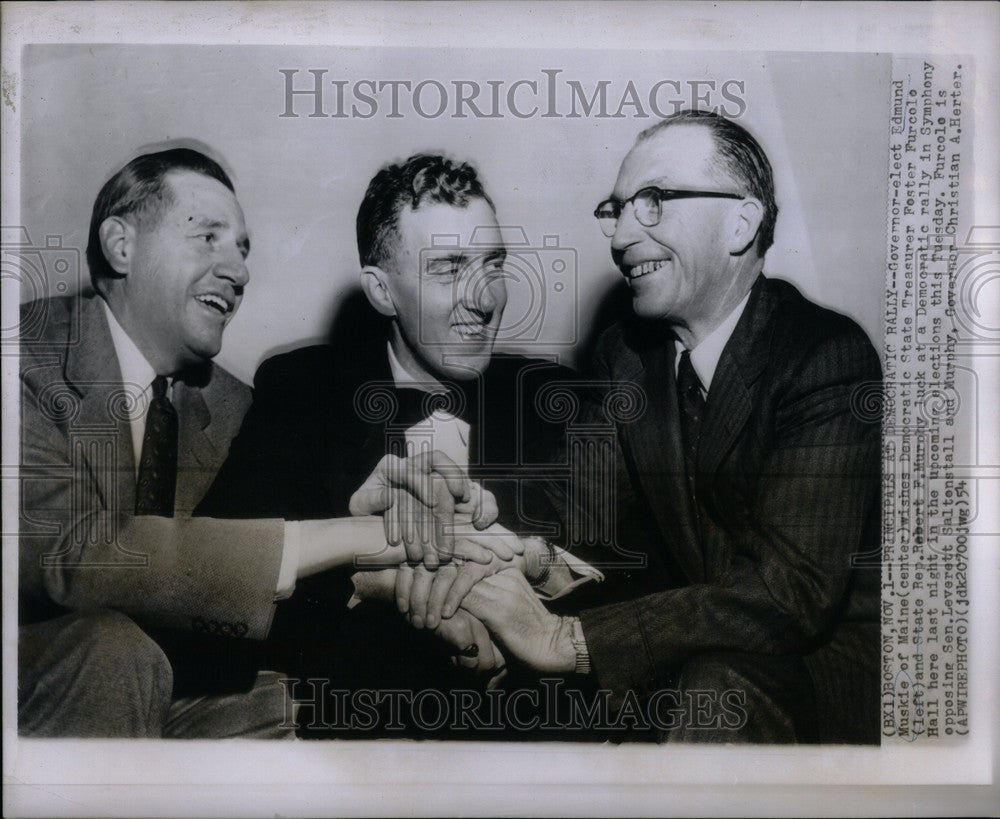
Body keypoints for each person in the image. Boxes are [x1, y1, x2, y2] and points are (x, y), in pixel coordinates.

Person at [456, 110, 883, 743]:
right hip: (698, 654)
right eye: (618, 207)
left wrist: (568, 639)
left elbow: (790, 593)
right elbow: (581, 505)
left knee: (712, 689)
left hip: (818, 678)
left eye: (654, 201)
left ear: (741, 222)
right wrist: (480, 521)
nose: (622, 235)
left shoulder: (826, 357)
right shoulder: (627, 355)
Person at [17, 147, 473, 738]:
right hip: (42, 680)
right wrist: (357, 534)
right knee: (109, 649)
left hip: (160, 686)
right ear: (120, 245)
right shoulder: (21, 359)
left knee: (318, 699)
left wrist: (370, 526)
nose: (239, 272)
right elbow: (73, 557)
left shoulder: (234, 404)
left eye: (242, 249)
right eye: (208, 238)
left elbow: (256, 569)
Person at [195, 154, 599, 732]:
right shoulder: (303, 389)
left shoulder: (555, 398)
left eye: (493, 265)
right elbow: (219, 576)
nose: (484, 300)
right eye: (449, 268)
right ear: (382, 291)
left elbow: (639, 585)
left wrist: (532, 573)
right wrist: (372, 585)